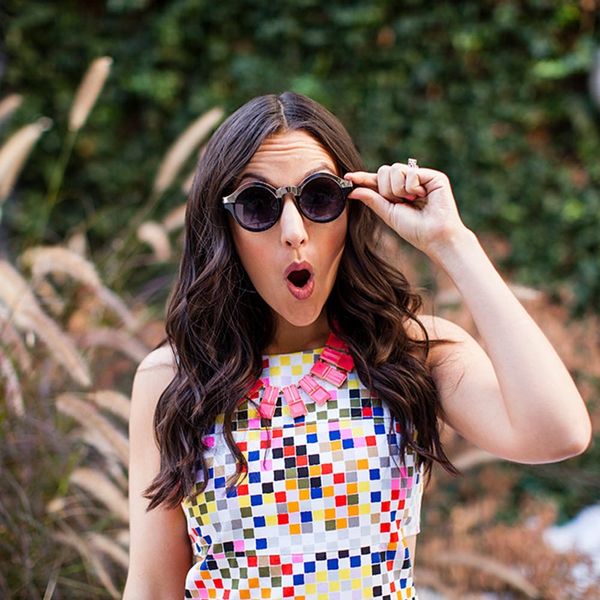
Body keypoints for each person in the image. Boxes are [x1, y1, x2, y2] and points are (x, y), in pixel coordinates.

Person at [123, 91, 592, 599]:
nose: (294, 232)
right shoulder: (175, 379)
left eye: (319, 197)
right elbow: (152, 587)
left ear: (351, 206)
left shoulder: (408, 352)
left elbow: (558, 432)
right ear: (223, 228)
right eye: (257, 206)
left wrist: (451, 241)